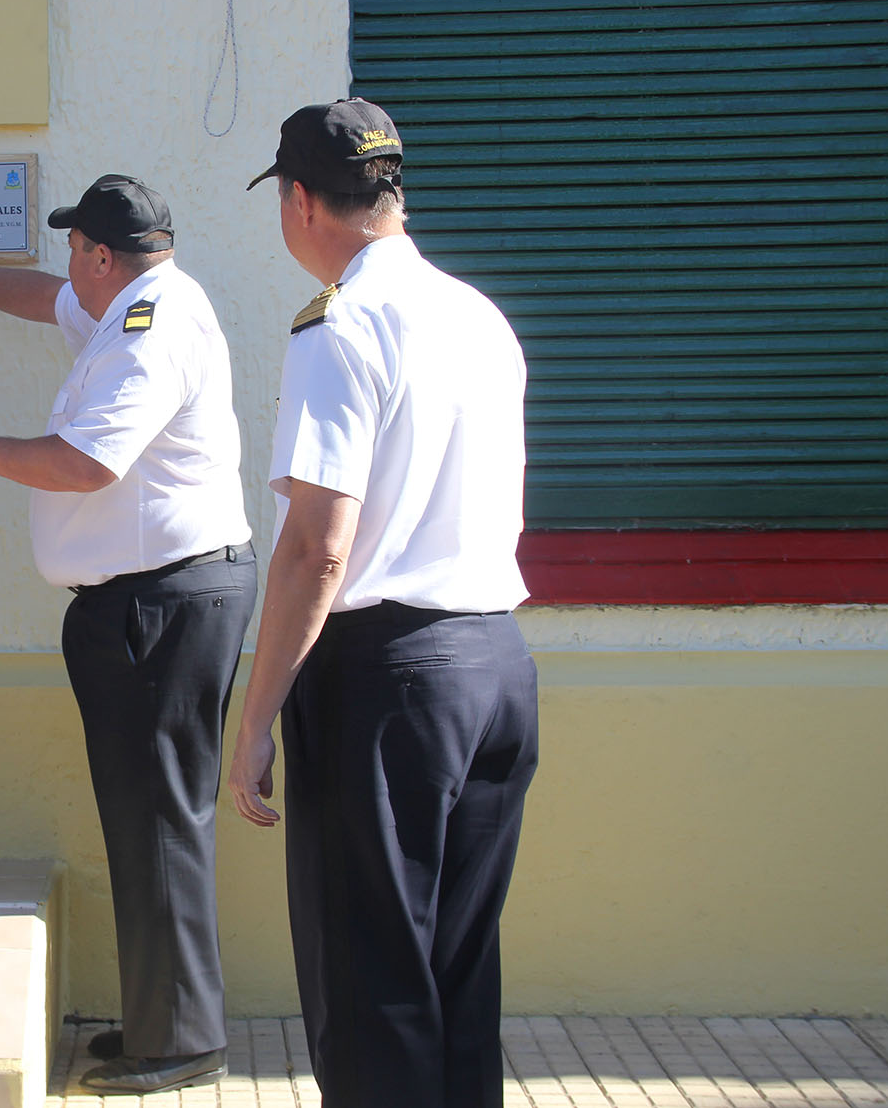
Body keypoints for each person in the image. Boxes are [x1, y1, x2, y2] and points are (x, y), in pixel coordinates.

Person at [0, 175, 254, 1096]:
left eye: (74, 251)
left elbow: (88, 463)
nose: (66, 276)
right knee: (146, 819)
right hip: (146, 604)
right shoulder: (135, 297)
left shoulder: (147, 333)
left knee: (157, 821)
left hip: (158, 607)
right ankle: (164, 1026)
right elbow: (35, 292)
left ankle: (179, 1046)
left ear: (100, 253)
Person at [228, 99, 540, 1108]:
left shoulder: (342, 324)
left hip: (388, 676)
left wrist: (256, 712)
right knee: (456, 968)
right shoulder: (477, 314)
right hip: (493, 660)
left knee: (371, 984)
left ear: (303, 199)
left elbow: (319, 548)